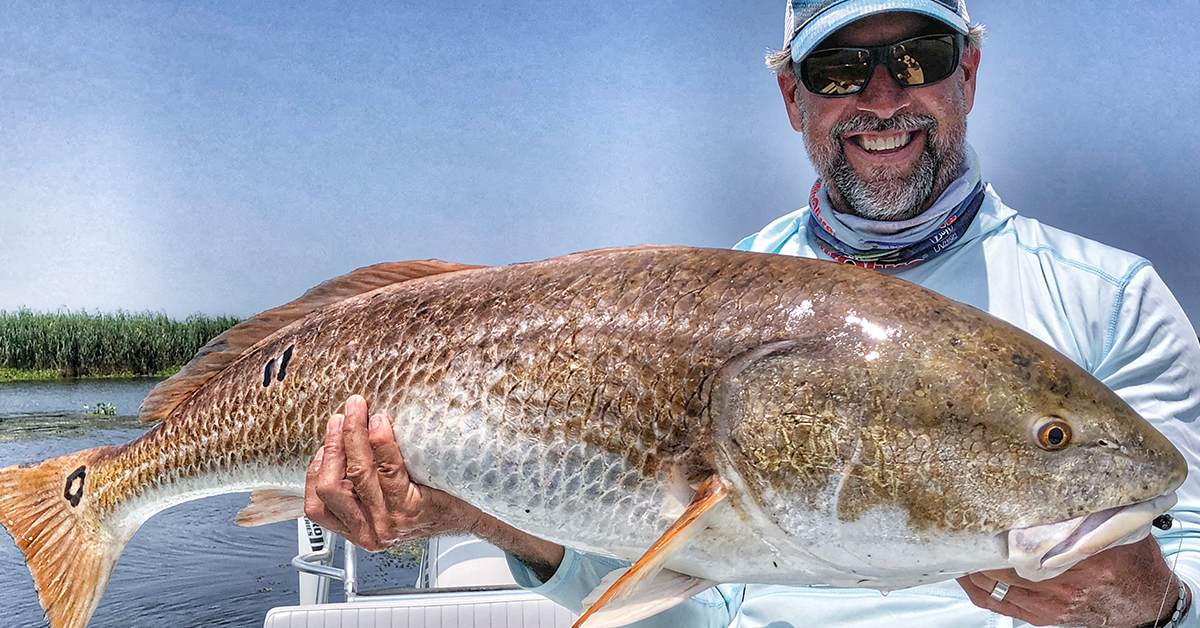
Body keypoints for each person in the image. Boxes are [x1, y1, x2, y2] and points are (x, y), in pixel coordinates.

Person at [305, 1, 1200, 626]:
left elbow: (1186, 549)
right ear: (792, 97)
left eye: (918, 58)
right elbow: (697, 610)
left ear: (967, 72)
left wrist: (1157, 604)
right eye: (839, 69)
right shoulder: (710, 305)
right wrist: (483, 515)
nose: (882, 98)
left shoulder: (1113, 302)